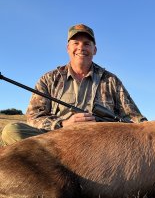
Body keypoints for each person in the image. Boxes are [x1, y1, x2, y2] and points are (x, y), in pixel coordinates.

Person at [1, 24, 146, 145]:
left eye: (87, 44)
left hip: (101, 145)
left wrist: (154, 130)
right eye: (76, 43)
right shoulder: (49, 79)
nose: (81, 48)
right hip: (57, 143)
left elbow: (134, 118)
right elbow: (33, 116)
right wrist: (63, 124)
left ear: (94, 50)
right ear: (68, 48)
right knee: (12, 131)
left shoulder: (111, 81)